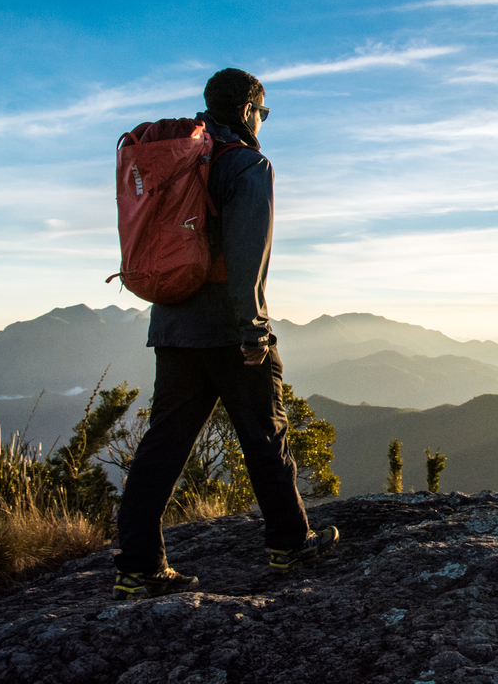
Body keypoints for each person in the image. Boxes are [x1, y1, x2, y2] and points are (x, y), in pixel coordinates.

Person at [113, 68, 338, 600]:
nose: (263, 121)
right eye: (263, 111)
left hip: (172, 324)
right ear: (246, 110)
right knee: (265, 434)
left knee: (163, 445)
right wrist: (254, 329)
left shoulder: (178, 161)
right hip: (228, 329)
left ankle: (137, 566)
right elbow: (246, 259)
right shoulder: (247, 164)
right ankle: (290, 543)